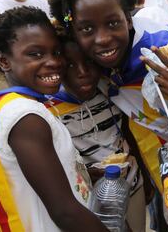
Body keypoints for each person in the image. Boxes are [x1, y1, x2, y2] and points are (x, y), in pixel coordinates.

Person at [46, 0, 168, 230]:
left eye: (112, 23)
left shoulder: (165, 51)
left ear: (128, 19)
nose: (103, 38)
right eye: (87, 29)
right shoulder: (91, 65)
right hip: (164, 172)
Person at [0, 6, 106, 232]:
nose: (53, 62)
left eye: (56, 52)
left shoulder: (3, 108)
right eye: (36, 54)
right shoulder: (26, 116)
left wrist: (74, 170)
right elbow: (65, 213)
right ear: (4, 61)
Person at [51, 38, 148, 232]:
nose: (82, 72)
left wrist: (145, 175)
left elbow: (128, 132)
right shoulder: (52, 110)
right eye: (70, 65)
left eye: (88, 62)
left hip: (133, 185)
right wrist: (86, 175)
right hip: (94, 199)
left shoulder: (110, 92)